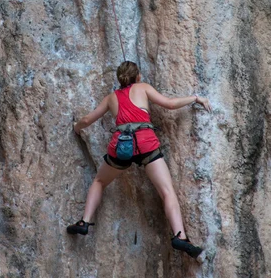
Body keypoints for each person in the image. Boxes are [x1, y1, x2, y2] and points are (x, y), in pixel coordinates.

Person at [67, 60, 211, 260]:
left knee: (99, 181)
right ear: (138, 76)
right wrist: (195, 98)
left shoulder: (111, 98)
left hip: (121, 147)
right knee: (167, 191)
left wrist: (76, 127)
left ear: (119, 78)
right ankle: (180, 236)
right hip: (146, 144)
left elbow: (87, 120)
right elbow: (169, 104)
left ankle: (84, 222)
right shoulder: (143, 88)